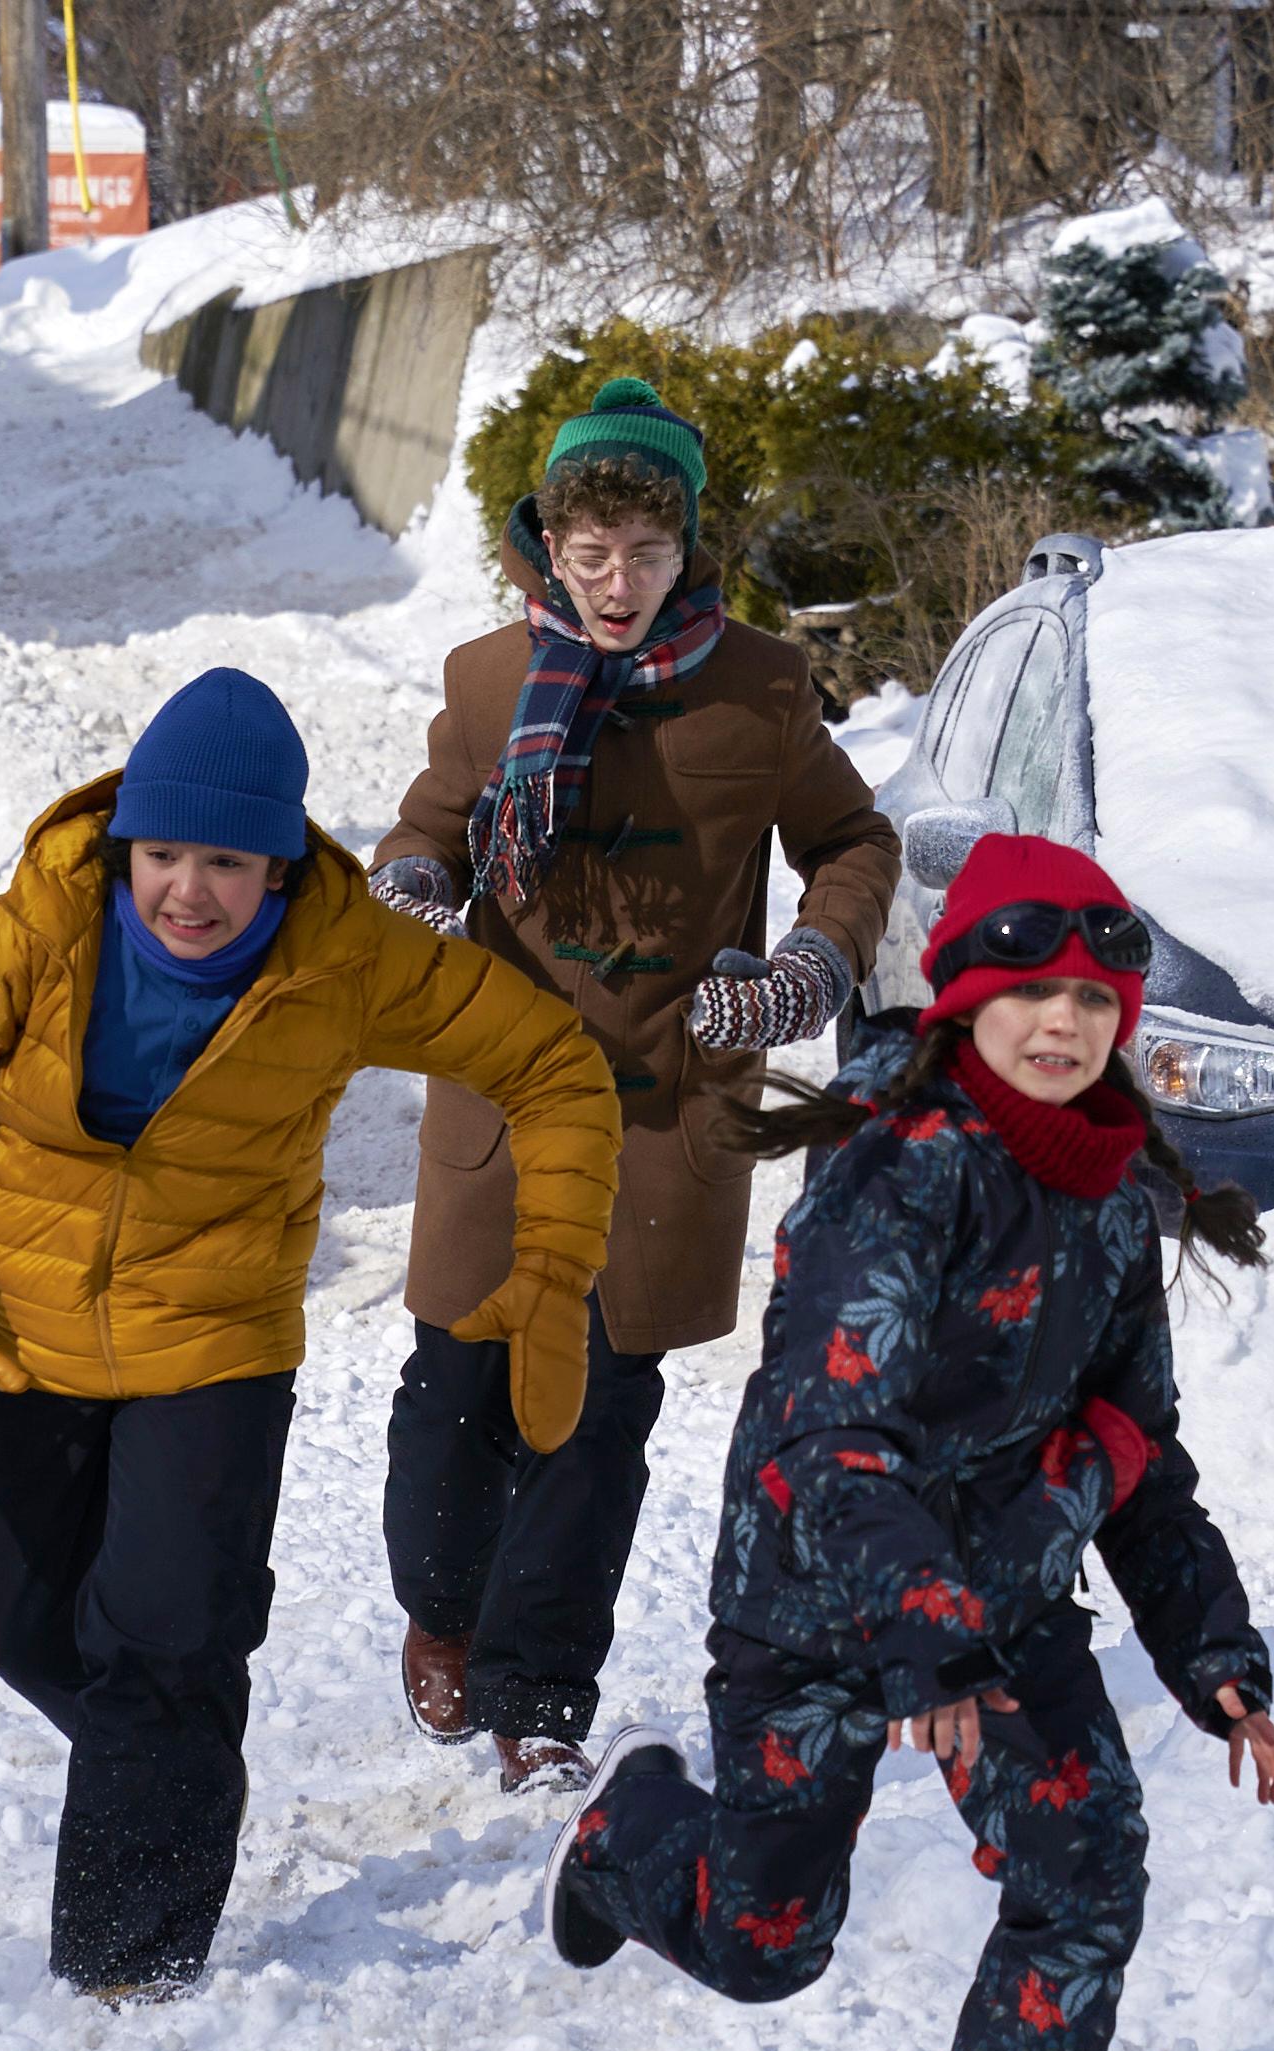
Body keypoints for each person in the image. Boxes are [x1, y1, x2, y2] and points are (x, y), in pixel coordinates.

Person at [537, 833, 1274, 2051]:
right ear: (962, 1003)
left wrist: (1216, 1661)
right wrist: (917, 1638)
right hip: (821, 1597)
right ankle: (628, 1835)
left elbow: (1137, 1449)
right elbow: (837, 1443)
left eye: (1092, 997)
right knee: (766, 1946)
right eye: (1031, 993)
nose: (1063, 1025)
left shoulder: (1115, 1193)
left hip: (998, 1599)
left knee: (1086, 1864)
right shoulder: (903, 1173)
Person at [0, 667, 622, 2001]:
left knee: (164, 1633)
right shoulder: (33, 931)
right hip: (31, 1339)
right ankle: (177, 1770)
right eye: (162, 854)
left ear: (279, 869)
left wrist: (547, 1275)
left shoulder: (347, 957)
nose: (187, 891)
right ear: (125, 845)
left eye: (226, 862)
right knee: (12, 1617)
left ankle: (130, 1976)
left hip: (216, 1347)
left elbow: (553, 1065)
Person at [372, 374, 899, 1795]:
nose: (617, 584)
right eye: (592, 553)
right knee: (454, 1400)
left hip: (670, 1106)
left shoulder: (765, 688)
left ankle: (542, 1697)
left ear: (687, 550)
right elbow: (426, 828)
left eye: (647, 555)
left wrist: (806, 969)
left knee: (599, 1424)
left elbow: (855, 843)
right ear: (551, 543)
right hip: (504, 1101)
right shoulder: (489, 683)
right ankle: (447, 1606)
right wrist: (415, 887)